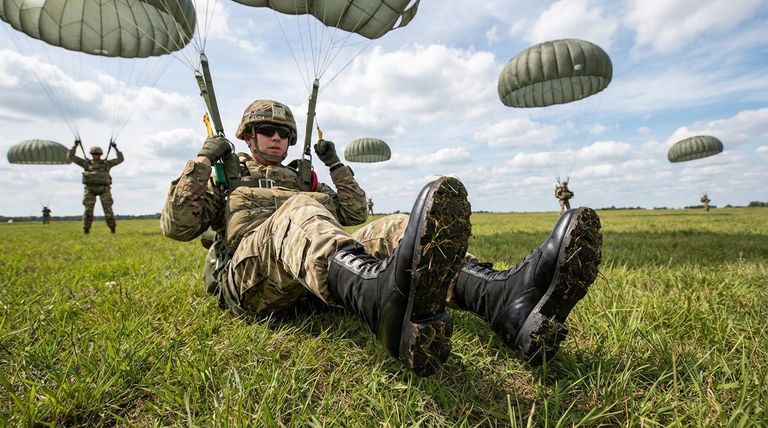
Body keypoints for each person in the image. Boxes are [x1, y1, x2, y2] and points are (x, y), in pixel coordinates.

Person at [161, 99, 603, 376]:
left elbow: (355, 213)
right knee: (299, 211)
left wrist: (335, 166)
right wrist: (202, 162)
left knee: (394, 227)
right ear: (248, 136)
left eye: (284, 134)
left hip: (311, 283)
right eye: (266, 132)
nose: (276, 139)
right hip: (251, 281)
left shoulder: (305, 180)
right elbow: (177, 226)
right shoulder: (228, 178)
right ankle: (378, 302)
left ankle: (504, 302)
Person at [68, 140, 124, 234]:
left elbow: (120, 159)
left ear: (100, 154)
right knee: (88, 210)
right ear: (91, 154)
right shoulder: (86, 163)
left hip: (104, 189)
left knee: (108, 210)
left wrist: (116, 148)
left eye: (97, 154)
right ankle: (86, 229)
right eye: (94, 154)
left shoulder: (106, 164)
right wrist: (75, 146)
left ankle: (112, 228)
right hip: (90, 189)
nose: (96, 155)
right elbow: (71, 157)